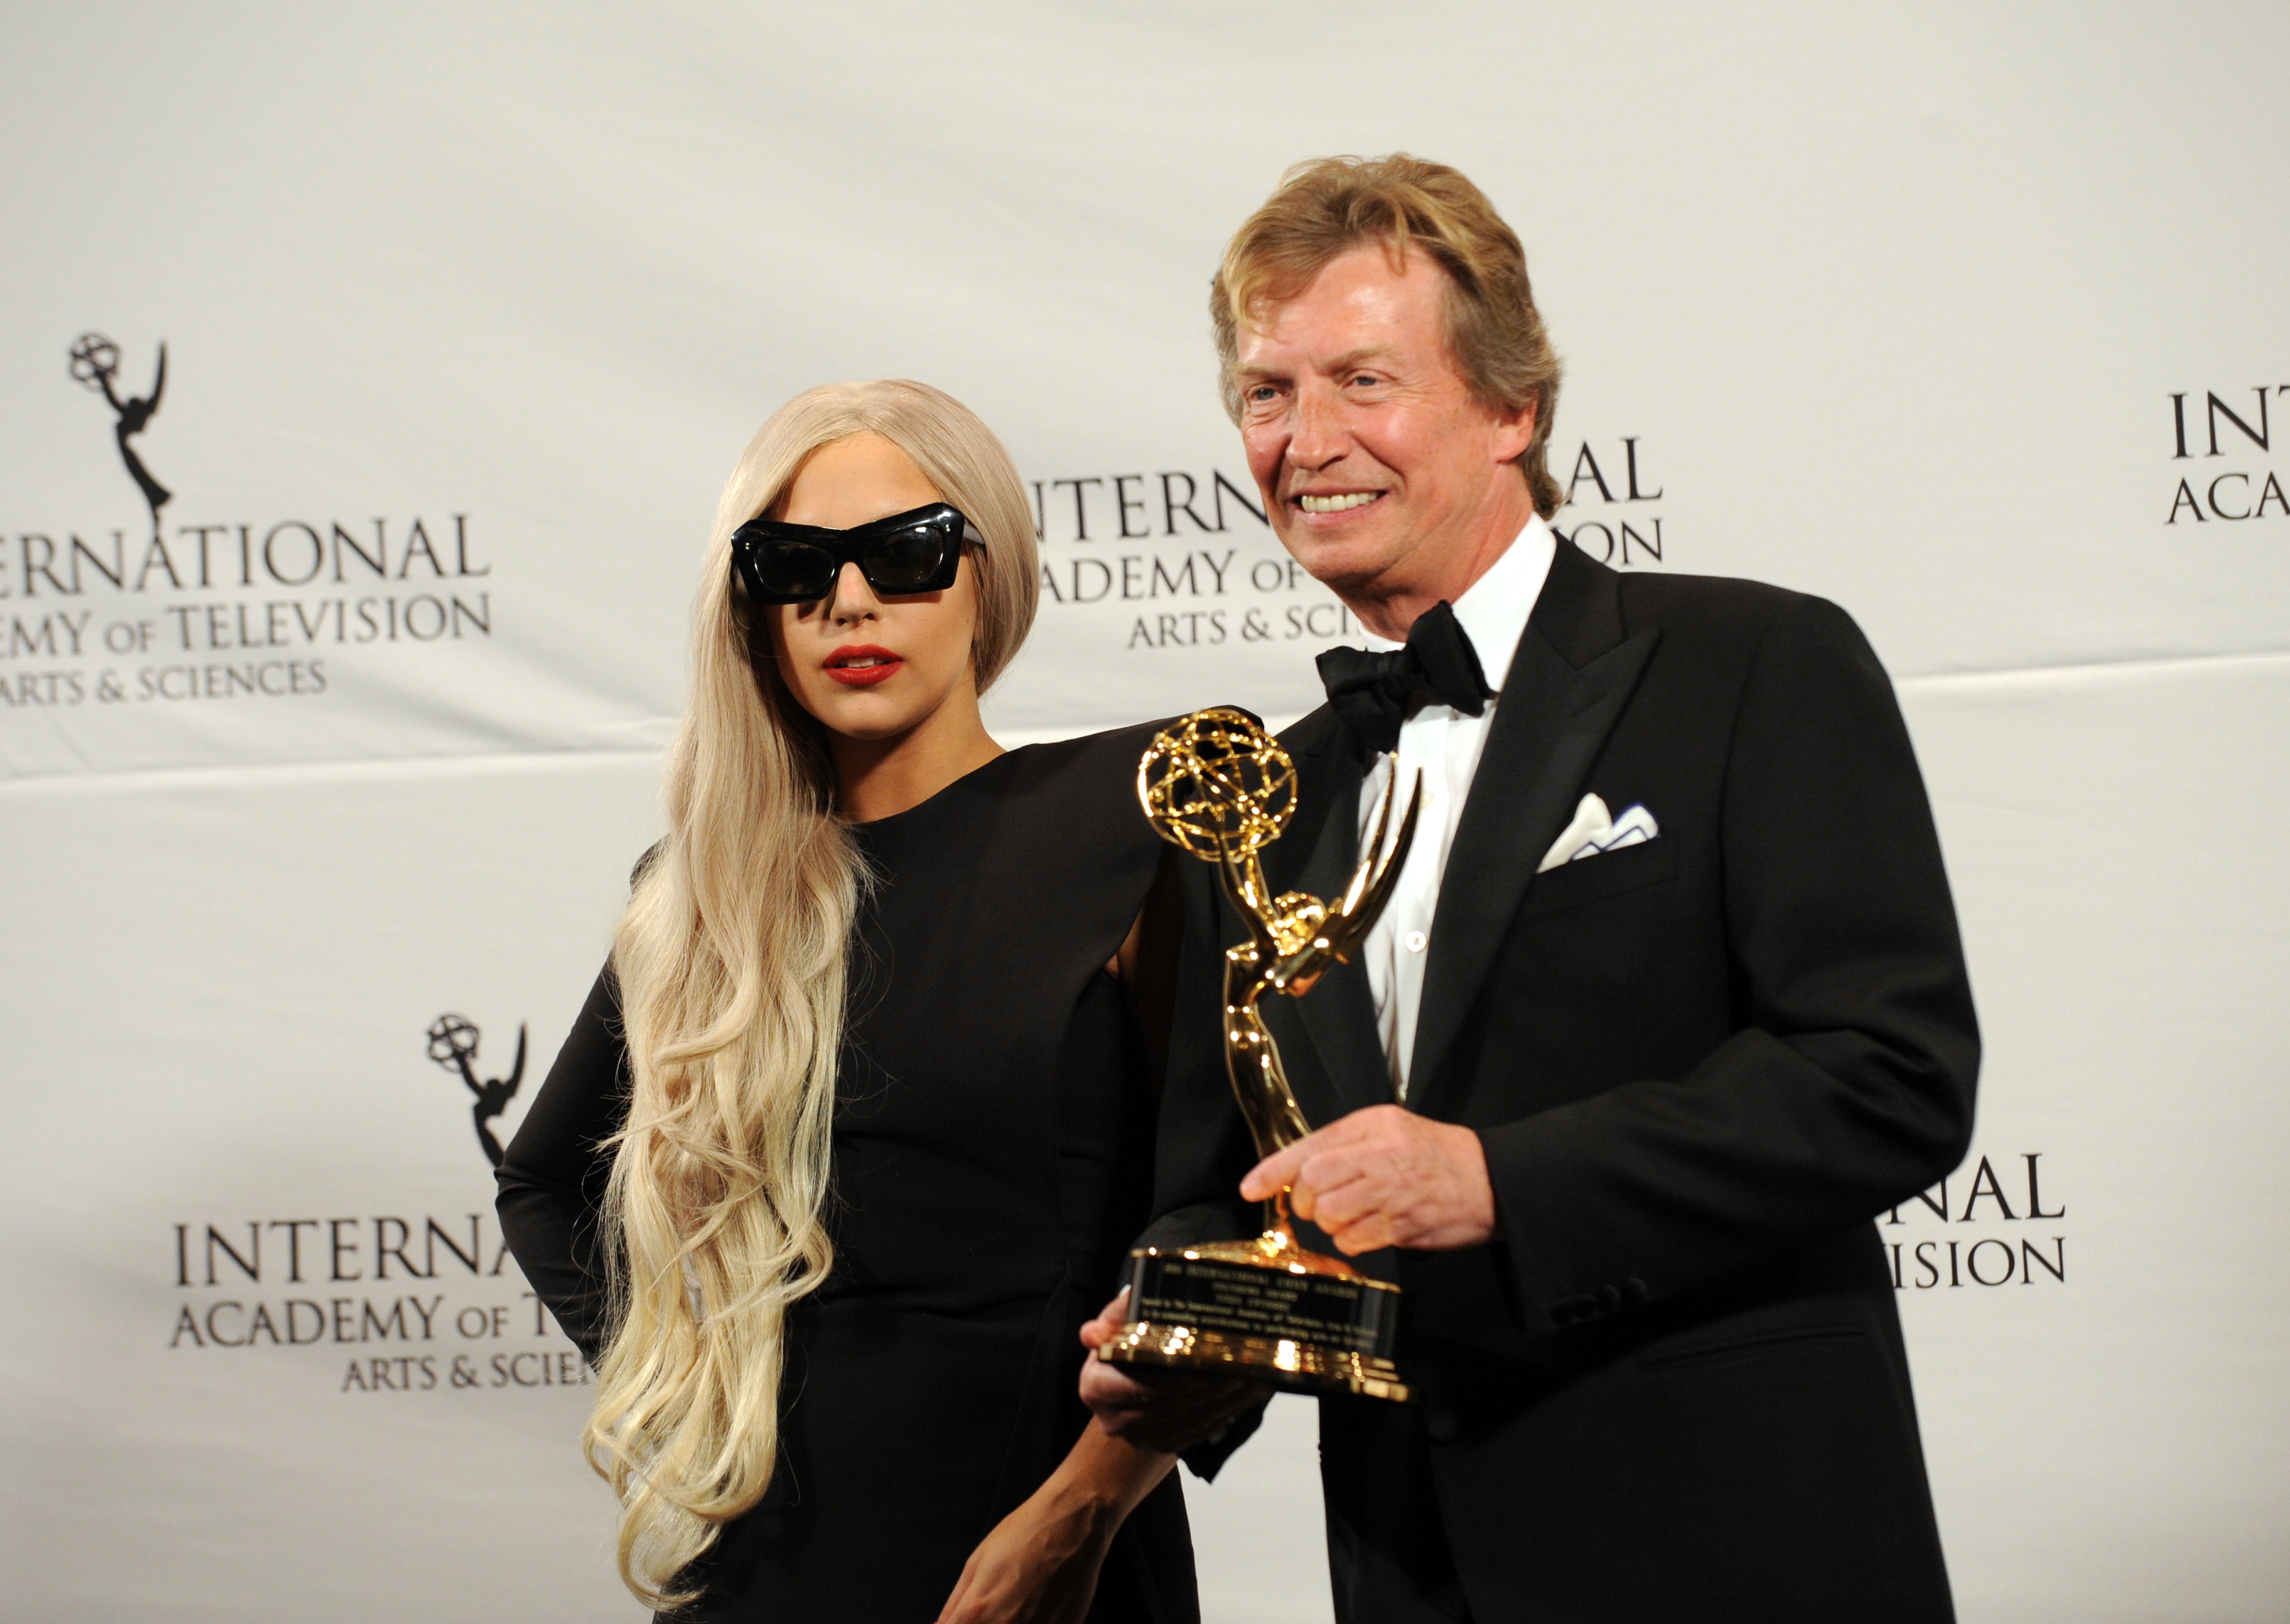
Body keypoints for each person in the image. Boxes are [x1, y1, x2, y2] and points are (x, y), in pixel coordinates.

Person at [1080, 155, 1980, 1623]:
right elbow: (1217, 1190)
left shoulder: (1751, 667)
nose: (1307, 441)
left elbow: (1886, 1076)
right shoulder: (1262, 796)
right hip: (1408, 1569)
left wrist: (1498, 1182)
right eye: (1266, 393)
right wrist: (1184, 1332)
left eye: (1362, 380)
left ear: (1512, 408)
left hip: (1736, 1550)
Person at [498, 379, 1201, 1622]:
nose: (849, 602)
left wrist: (1084, 1503)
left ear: (989, 571)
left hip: (1051, 1566)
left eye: (905, 552)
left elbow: (1228, 1212)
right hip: (771, 1567)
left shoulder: (1135, 811)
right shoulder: (702, 890)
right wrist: (687, 1377)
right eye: (794, 566)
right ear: (751, 608)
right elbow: (542, 1184)